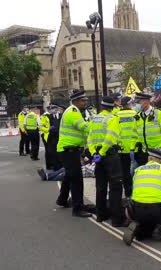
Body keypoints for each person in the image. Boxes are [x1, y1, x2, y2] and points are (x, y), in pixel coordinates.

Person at [123, 148, 161, 245]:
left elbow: (134, 189)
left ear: (149, 159)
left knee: (144, 227)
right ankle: (159, 230)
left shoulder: (138, 170)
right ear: (160, 160)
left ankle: (138, 226)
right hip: (155, 210)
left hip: (135, 210)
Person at [88, 96, 128, 227]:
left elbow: (90, 138)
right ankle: (117, 219)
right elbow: (110, 137)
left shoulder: (95, 119)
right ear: (113, 107)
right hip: (109, 154)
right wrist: (102, 152)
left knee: (101, 186)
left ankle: (101, 215)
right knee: (115, 186)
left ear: (101, 106)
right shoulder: (112, 119)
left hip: (98, 156)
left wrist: (94, 152)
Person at [56, 90, 92, 218]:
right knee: (76, 179)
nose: (85, 102)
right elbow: (85, 128)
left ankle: (62, 199)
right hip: (68, 150)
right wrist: (98, 122)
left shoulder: (75, 111)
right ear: (76, 101)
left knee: (69, 176)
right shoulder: (73, 112)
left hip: (69, 150)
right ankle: (78, 208)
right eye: (83, 100)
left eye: (85, 100)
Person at [134, 92, 161, 166]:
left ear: (146, 101)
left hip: (157, 153)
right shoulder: (137, 116)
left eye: (139, 102)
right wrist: (134, 149)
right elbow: (135, 135)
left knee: (159, 175)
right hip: (143, 153)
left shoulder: (159, 113)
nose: (137, 105)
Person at [117, 96, 138, 198]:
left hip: (121, 149)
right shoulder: (135, 114)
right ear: (130, 104)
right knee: (136, 170)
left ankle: (127, 193)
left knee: (124, 172)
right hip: (134, 148)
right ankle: (136, 191)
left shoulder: (116, 115)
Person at [47, 105, 62, 171]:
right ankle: (55, 166)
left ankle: (60, 165)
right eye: (52, 109)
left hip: (60, 136)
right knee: (53, 152)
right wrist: (48, 129)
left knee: (60, 151)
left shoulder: (61, 116)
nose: (53, 110)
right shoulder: (48, 117)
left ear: (57, 109)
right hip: (52, 137)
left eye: (54, 108)